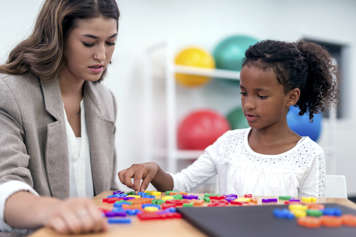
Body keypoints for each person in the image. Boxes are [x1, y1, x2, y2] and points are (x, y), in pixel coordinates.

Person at [119, 39, 336, 198]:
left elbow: (311, 217)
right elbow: (181, 185)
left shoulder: (309, 155)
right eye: (243, 92)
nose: (248, 104)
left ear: (291, 96)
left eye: (261, 95)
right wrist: (156, 171)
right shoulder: (228, 143)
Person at [0, 0, 120, 234]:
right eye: (88, 43)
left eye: (111, 42)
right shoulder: (10, 93)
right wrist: (53, 210)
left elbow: (104, 191)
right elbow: (5, 186)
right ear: (58, 37)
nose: (101, 55)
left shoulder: (106, 100)